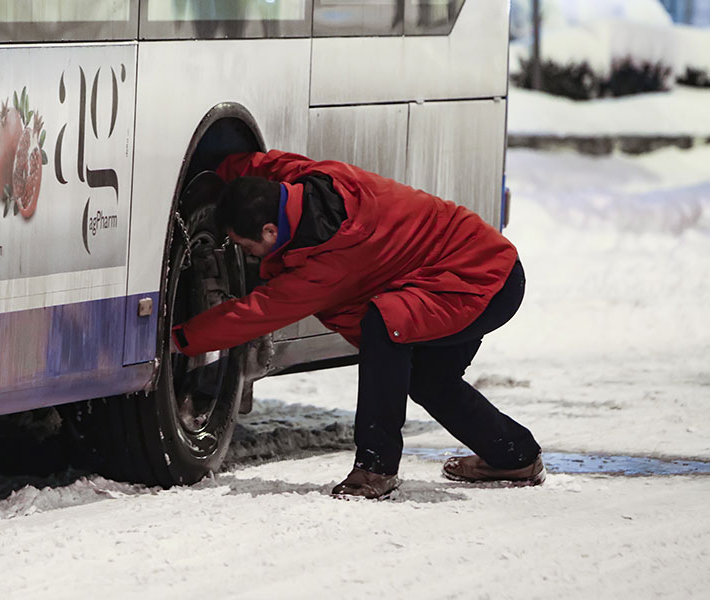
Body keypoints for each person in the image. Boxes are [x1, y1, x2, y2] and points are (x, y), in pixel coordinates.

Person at [171, 150, 545, 500]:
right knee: (429, 380)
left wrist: (180, 339)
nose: (244, 254)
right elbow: (265, 164)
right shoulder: (317, 178)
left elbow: (255, 313)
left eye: (243, 244)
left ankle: (376, 469)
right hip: (480, 264)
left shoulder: (327, 264)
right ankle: (514, 456)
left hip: (480, 278)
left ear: (270, 231)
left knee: (387, 323)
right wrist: (218, 173)